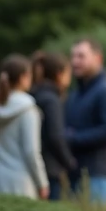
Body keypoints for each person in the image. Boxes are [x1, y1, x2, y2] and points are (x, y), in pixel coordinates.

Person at [63, 38, 106, 205]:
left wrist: (72, 138)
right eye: (73, 56)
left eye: (81, 56)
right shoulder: (75, 95)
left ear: (98, 58)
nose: (75, 62)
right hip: (74, 173)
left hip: (97, 174)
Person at [0, 55, 48, 199]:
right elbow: (31, 152)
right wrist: (42, 183)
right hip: (22, 183)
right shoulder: (28, 109)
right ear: (23, 77)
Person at [30, 52, 77, 201]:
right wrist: (69, 162)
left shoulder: (35, 94)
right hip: (49, 170)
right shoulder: (52, 100)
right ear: (59, 74)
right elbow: (55, 136)